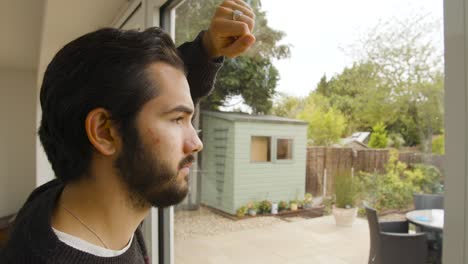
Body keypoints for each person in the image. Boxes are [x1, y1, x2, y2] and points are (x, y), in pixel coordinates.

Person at [0, 0, 255, 263]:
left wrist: (206, 50)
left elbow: (149, 99)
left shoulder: (61, 199)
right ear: (104, 132)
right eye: (178, 119)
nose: (196, 143)